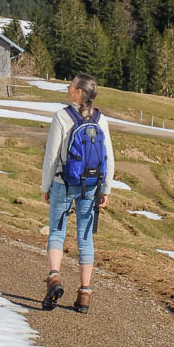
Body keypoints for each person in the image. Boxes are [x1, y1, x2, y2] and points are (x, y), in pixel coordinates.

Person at [40, 73, 115, 313]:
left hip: (63, 182)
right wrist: (106, 188)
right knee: (85, 237)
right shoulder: (100, 119)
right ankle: (84, 295)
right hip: (91, 185)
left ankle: (54, 278)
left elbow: (51, 156)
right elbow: (108, 157)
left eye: (71, 85)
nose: (68, 87)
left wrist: (45, 186)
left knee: (57, 231)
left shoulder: (62, 116)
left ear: (78, 92)